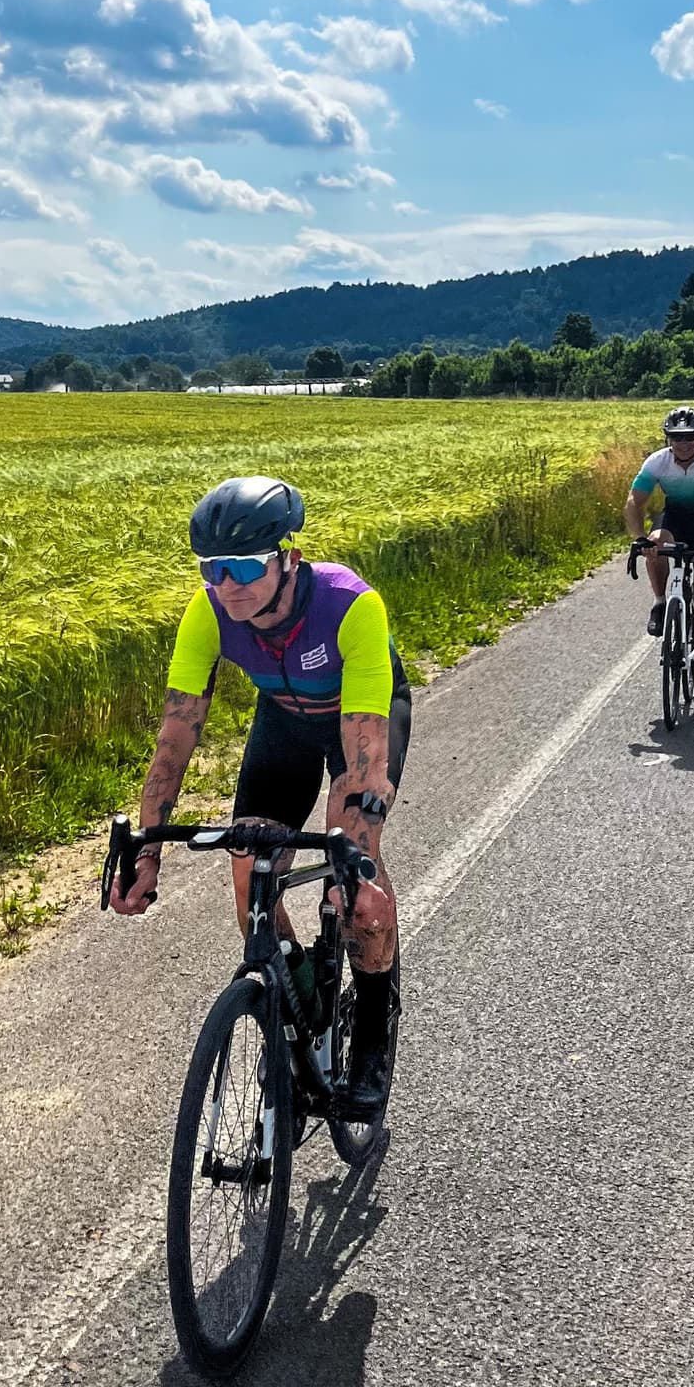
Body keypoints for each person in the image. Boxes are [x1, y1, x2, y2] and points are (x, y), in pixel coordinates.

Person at [110, 476, 410, 1120]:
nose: (228, 584)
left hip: (360, 722)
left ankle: (370, 1038)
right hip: (284, 720)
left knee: (355, 887)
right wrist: (148, 850)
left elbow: (364, 761)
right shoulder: (209, 611)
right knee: (248, 859)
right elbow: (174, 742)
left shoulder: (349, 605)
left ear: (288, 558)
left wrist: (353, 861)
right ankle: (298, 999)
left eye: (245, 565)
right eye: (214, 568)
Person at [626, 406, 694, 696]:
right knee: (655, 542)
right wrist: (639, 539)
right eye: (677, 437)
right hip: (674, 518)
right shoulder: (657, 462)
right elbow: (634, 502)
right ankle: (661, 601)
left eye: (690, 437)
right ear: (668, 439)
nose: (683, 443)